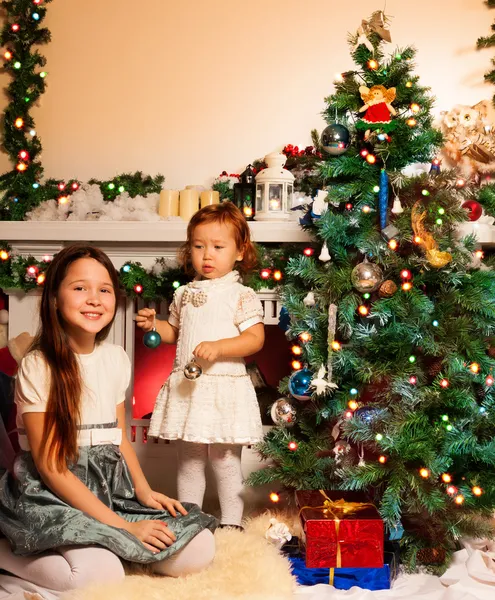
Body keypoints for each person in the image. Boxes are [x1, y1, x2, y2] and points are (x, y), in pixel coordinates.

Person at [0, 244, 216, 600]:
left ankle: (108, 545)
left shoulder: (115, 358)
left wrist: (144, 493)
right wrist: (124, 528)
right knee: (98, 575)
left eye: (104, 290)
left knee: (199, 546)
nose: (94, 299)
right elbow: (52, 468)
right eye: (79, 288)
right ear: (54, 298)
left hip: (110, 486)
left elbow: (119, 439)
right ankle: (8, 550)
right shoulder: (39, 366)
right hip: (52, 491)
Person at [136, 202, 265, 531]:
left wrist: (220, 348)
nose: (207, 255)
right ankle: (191, 520)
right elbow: (174, 333)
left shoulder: (241, 294)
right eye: (198, 246)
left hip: (223, 387)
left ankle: (232, 524)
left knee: (224, 459)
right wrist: (154, 326)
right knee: (189, 458)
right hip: (190, 389)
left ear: (239, 252)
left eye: (218, 247)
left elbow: (254, 338)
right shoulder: (184, 293)